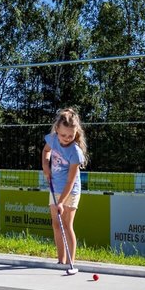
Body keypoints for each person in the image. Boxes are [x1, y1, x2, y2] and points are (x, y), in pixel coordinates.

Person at [42, 108, 88, 265]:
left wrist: (61, 202)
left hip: (70, 191)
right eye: (63, 135)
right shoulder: (53, 139)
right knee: (56, 224)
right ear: (57, 130)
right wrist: (45, 166)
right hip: (55, 187)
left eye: (71, 136)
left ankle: (70, 262)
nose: (67, 138)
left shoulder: (75, 152)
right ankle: (60, 261)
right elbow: (46, 151)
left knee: (67, 225)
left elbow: (70, 181)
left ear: (76, 132)